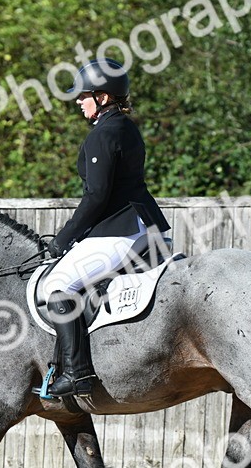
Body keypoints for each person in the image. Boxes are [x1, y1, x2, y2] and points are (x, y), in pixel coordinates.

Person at [41, 59, 170, 398]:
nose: (77, 101)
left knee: (57, 284)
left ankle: (77, 373)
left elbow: (97, 196)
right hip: (148, 226)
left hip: (121, 230)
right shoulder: (126, 127)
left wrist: (64, 238)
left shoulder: (103, 134)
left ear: (103, 97)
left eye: (83, 95)